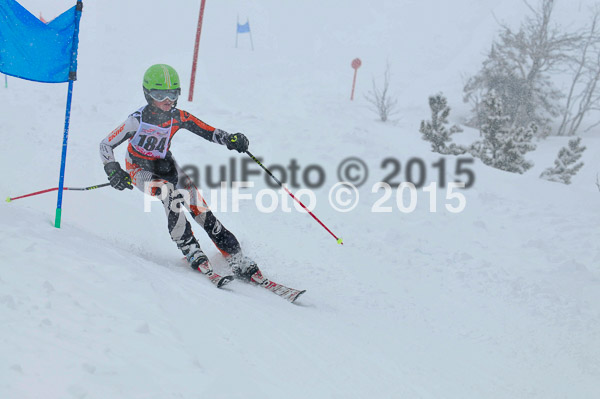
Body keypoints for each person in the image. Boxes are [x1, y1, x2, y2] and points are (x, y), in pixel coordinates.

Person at [99, 64, 262, 288]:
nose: (167, 100)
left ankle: (235, 255)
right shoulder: (136, 121)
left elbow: (209, 131)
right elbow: (106, 144)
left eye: (173, 93)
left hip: (167, 166)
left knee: (200, 208)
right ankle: (189, 246)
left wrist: (231, 139)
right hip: (139, 170)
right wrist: (113, 170)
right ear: (148, 94)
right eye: (159, 94)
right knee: (170, 193)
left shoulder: (178, 117)